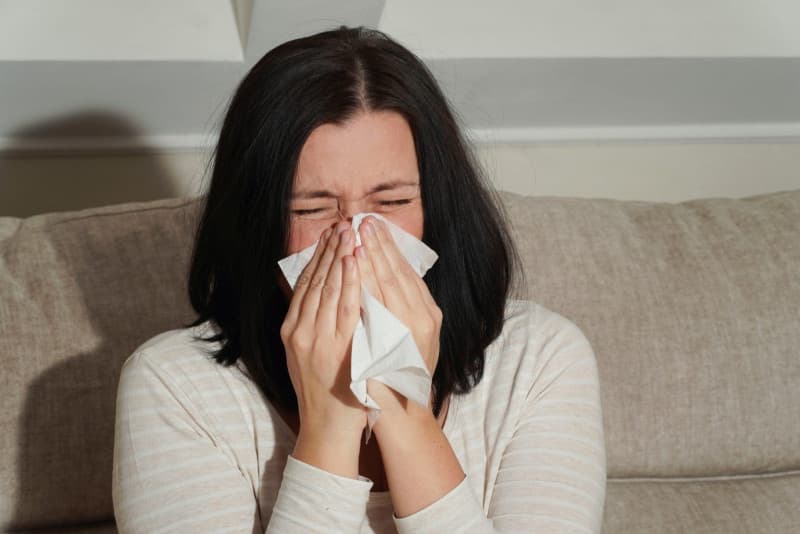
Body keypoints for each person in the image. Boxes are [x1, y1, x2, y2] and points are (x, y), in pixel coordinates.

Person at [111, 26, 606, 533]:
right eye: (312, 208)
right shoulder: (174, 387)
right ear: (256, 223)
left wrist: (400, 401)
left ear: (438, 208)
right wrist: (329, 423)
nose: (355, 238)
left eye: (391, 203)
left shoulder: (538, 360)